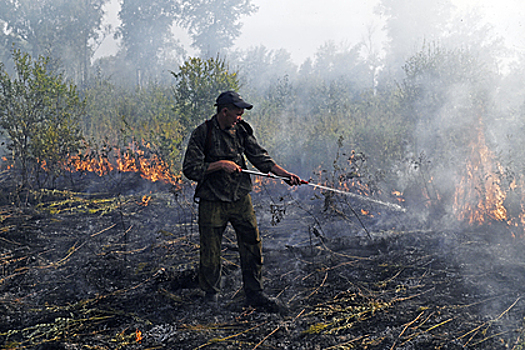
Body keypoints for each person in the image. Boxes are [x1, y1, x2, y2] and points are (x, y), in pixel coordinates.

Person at [182, 90, 304, 311]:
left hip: (240, 196)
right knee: (211, 250)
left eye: (242, 113)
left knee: (252, 243)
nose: (240, 117)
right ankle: (211, 297)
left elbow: (260, 158)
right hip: (212, 199)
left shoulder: (242, 131)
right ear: (224, 111)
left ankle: (255, 293)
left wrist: (284, 175)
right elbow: (190, 169)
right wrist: (220, 164)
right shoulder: (202, 133)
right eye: (237, 113)